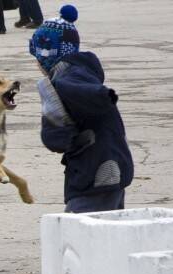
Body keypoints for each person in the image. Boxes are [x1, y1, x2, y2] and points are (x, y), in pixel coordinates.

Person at [29, 5, 134, 213]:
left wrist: (100, 96)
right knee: (110, 234)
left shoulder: (66, 82)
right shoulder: (79, 71)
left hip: (96, 174)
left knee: (77, 235)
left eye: (36, 57)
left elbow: (56, 137)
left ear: (45, 55)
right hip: (109, 166)